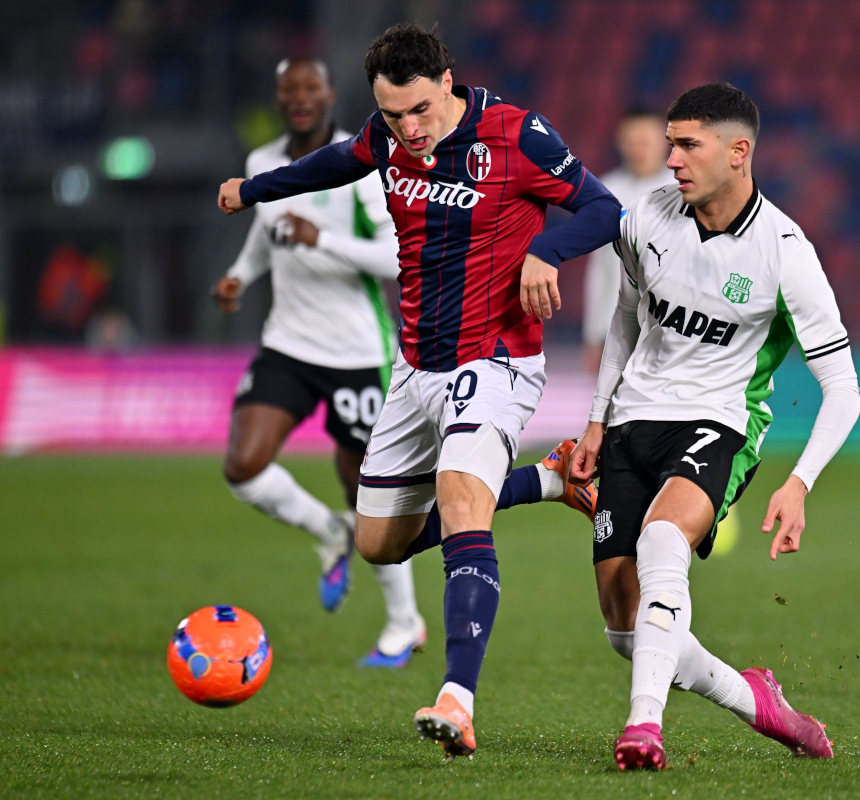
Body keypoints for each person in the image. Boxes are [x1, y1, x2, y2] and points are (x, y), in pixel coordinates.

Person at [216, 23, 619, 759]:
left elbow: (602, 209)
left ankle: (457, 699)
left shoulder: (516, 135)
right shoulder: (385, 135)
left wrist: (543, 250)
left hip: (495, 361)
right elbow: (338, 162)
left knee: (463, 501)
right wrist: (254, 190)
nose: (407, 129)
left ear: (448, 83)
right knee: (380, 544)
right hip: (413, 368)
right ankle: (552, 480)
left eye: (419, 112)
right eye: (393, 115)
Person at [569, 83, 860, 770]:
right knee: (625, 630)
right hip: (633, 419)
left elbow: (842, 388)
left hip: (718, 420)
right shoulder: (646, 219)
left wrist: (799, 483)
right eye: (670, 142)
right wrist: (594, 419)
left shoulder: (785, 251)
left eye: (687, 144)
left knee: (663, 537)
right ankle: (754, 699)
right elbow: (623, 321)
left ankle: (644, 725)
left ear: (738, 152)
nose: (670, 158)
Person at [214, 56, 426, 668]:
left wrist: (322, 239)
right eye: (289, 91)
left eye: (311, 88)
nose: (300, 98)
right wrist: (239, 274)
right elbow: (265, 227)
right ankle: (328, 533)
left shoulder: (361, 164)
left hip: (358, 351)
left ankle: (403, 623)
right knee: (243, 466)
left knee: (368, 490)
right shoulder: (262, 164)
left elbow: (397, 257)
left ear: (330, 95)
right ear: (279, 99)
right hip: (288, 341)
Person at [582, 106, 673, 374]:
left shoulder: (685, 191)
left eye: (646, 141)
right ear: (620, 142)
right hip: (620, 332)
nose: (639, 149)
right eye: (633, 141)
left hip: (674, 329)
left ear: (665, 143)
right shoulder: (605, 191)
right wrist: (592, 333)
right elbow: (600, 269)